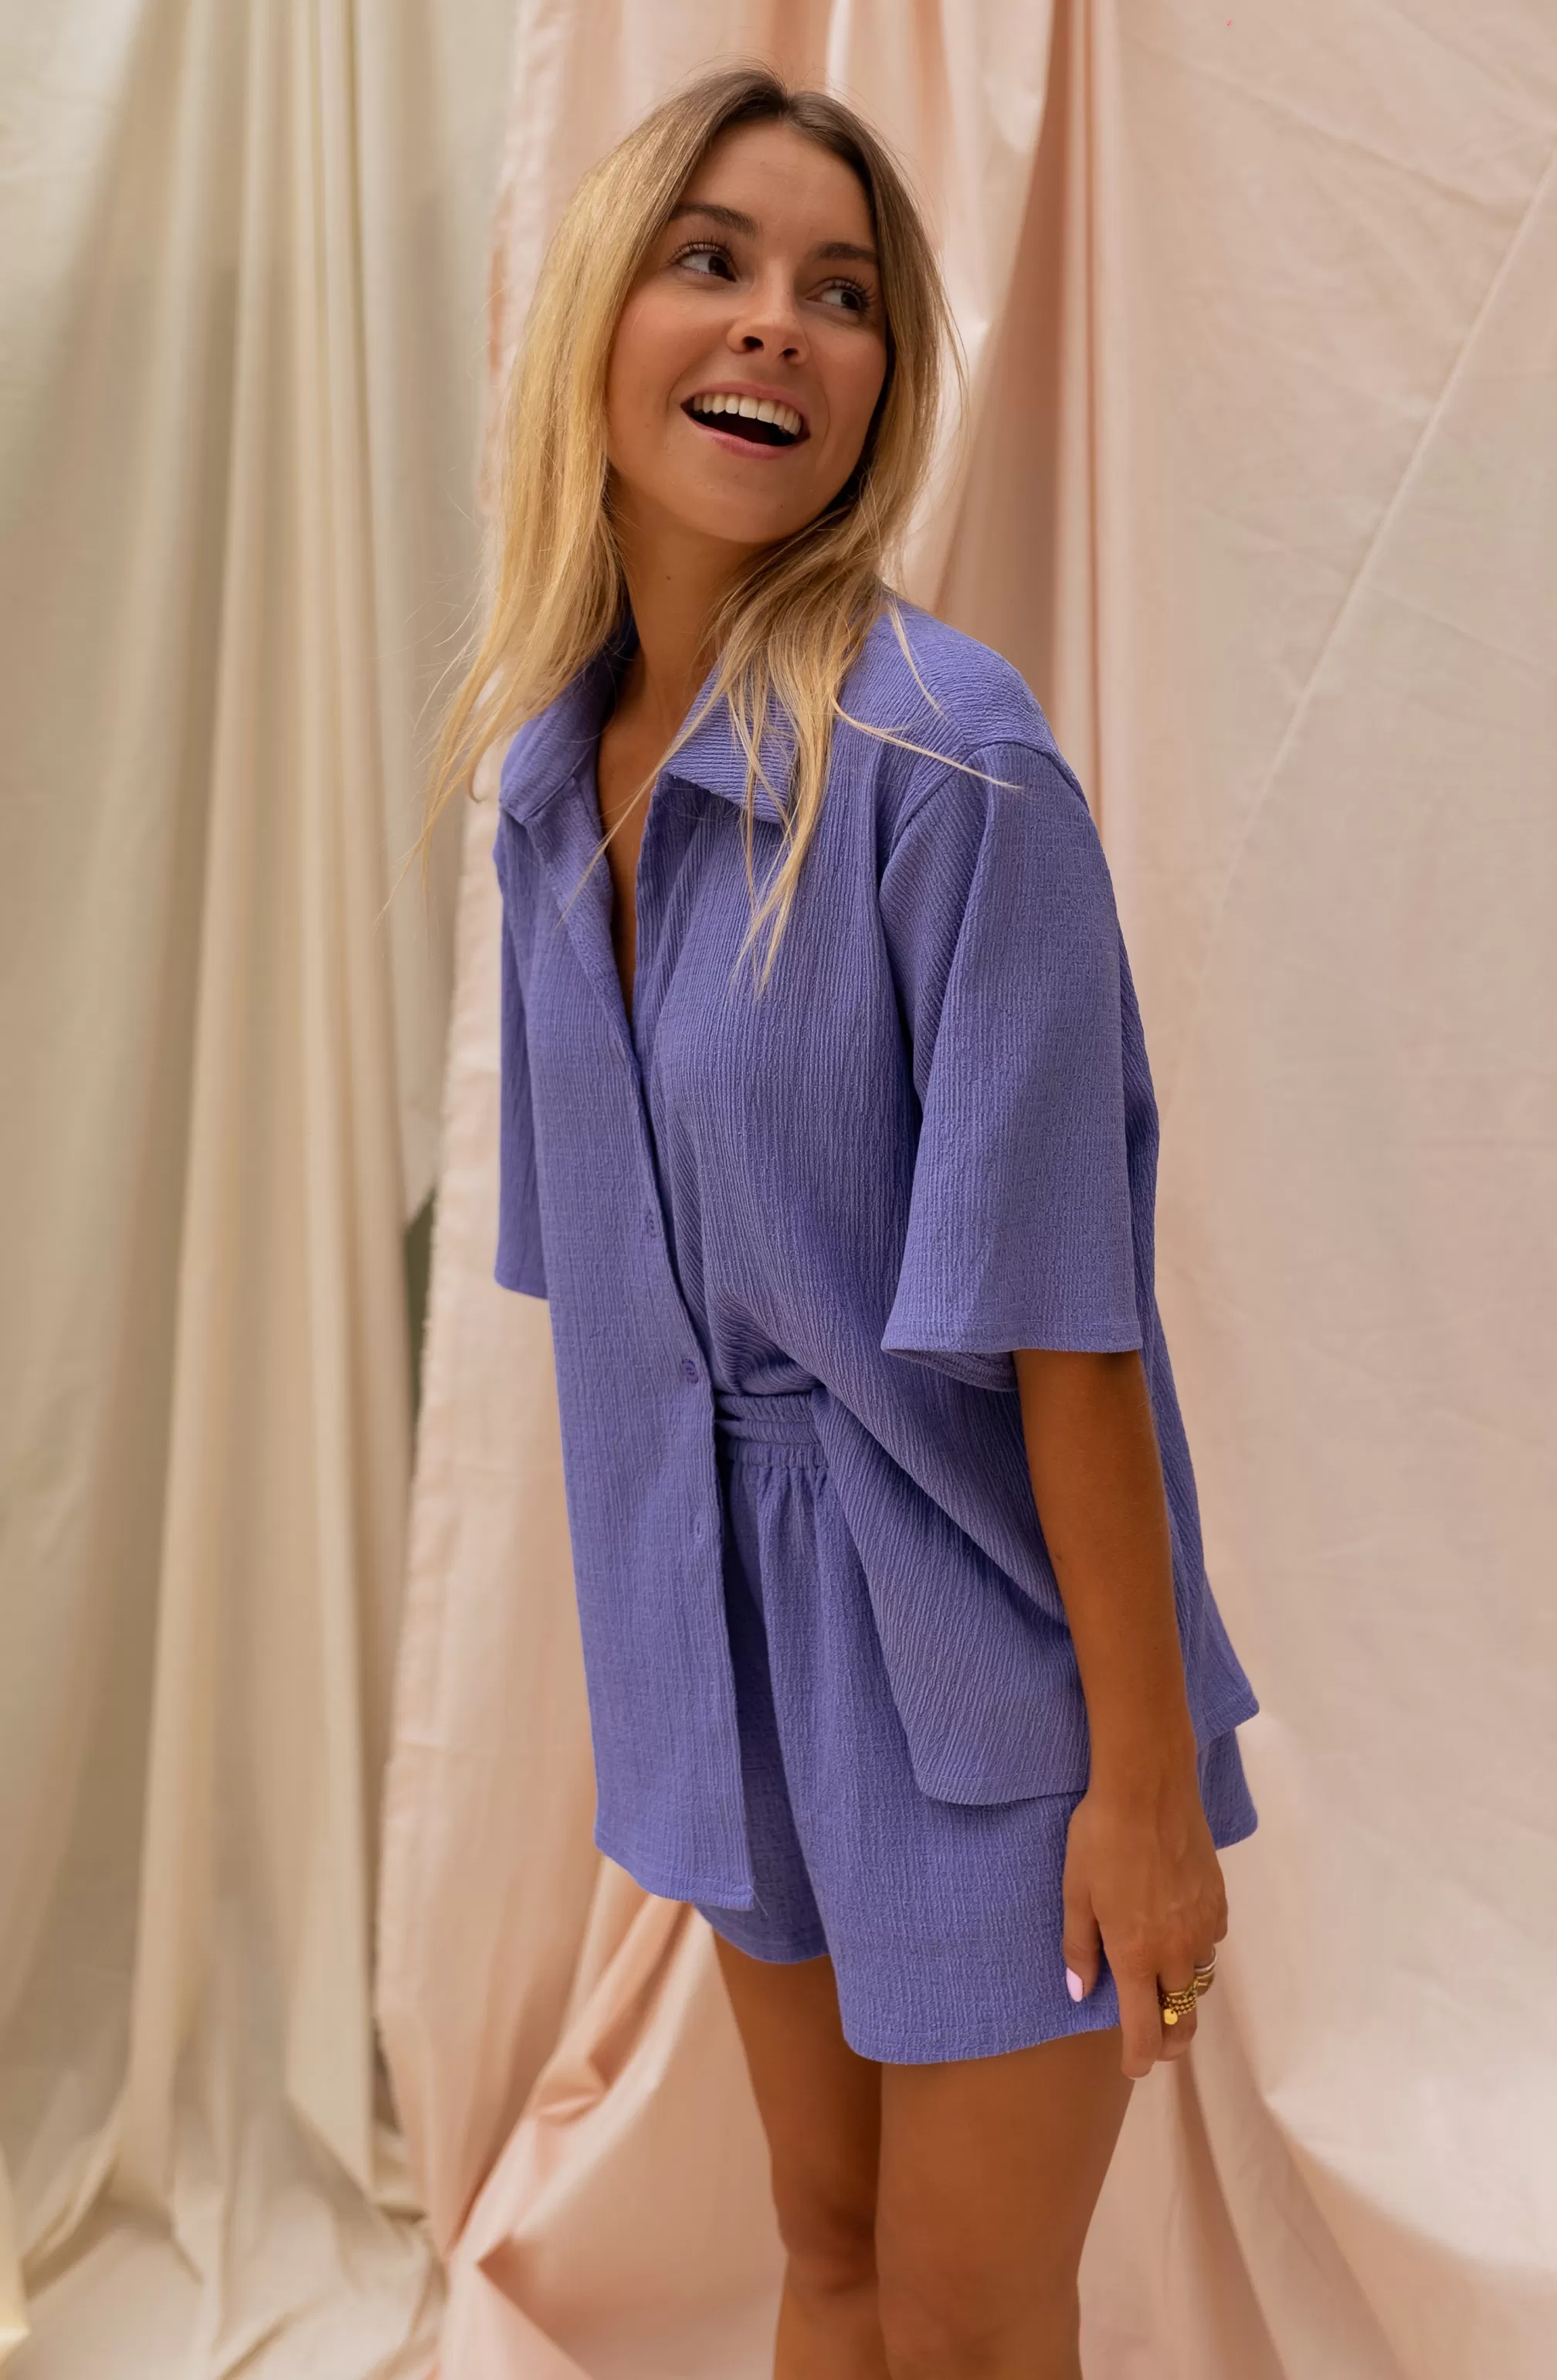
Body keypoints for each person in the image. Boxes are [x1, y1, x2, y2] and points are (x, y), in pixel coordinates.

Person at [427, 63, 1259, 2380]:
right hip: (724, 1666)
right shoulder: (544, 785)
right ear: (600, 322)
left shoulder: (945, 764)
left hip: (984, 1666)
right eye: (711, 259)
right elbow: (612, 1302)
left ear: (883, 386)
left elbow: (1065, 1317)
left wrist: (1144, 1788)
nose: (776, 324)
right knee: (827, 2248)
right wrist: (669, 1688)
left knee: (976, 2319)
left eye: (844, 291)